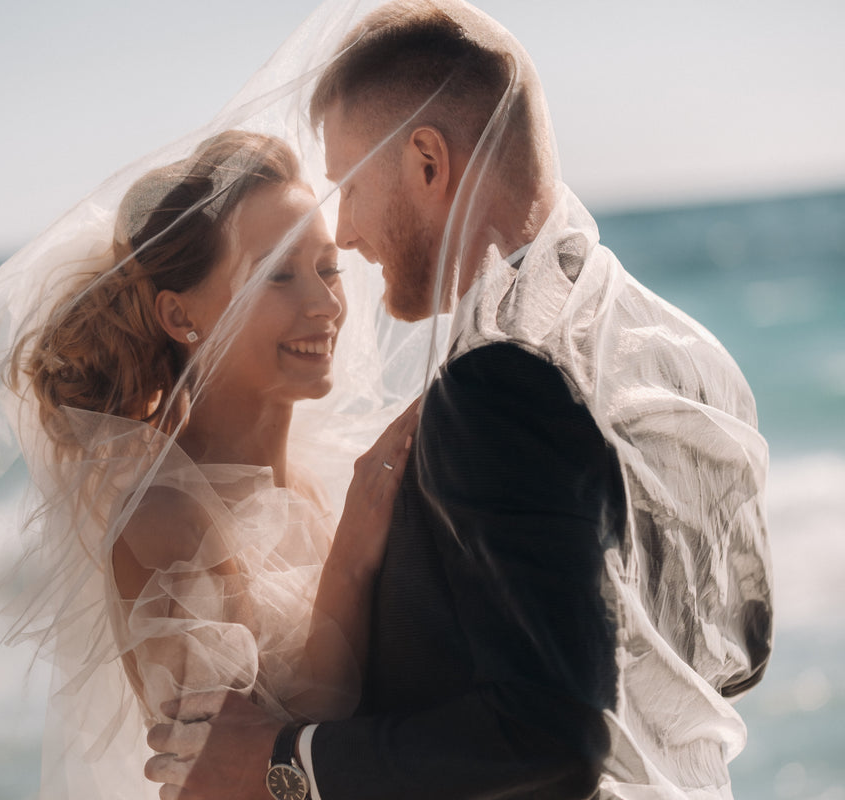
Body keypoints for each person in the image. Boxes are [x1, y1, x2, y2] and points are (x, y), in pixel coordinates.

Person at [144, 1, 773, 798]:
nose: (342, 234)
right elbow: (737, 654)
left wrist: (282, 763)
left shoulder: (498, 379)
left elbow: (551, 741)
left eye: (349, 185)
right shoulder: (696, 358)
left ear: (427, 163)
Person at [0, 126, 419, 798]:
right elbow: (233, 779)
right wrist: (355, 550)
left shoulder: (319, 481)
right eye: (277, 275)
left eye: (329, 267)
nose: (324, 303)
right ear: (182, 318)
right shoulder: (168, 519)